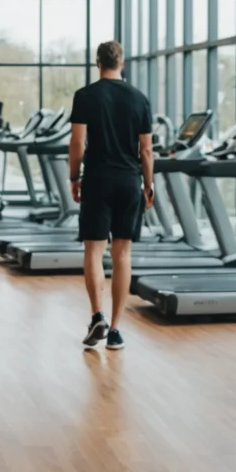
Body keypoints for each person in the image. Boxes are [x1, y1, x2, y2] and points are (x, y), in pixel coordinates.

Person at [69, 40, 153, 351]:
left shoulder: (86, 95)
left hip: (97, 179)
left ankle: (97, 316)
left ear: (97, 62)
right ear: (123, 63)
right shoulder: (139, 98)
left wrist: (73, 176)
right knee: (122, 255)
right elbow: (146, 149)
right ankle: (115, 329)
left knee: (93, 250)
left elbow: (77, 143)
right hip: (129, 180)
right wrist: (148, 183)